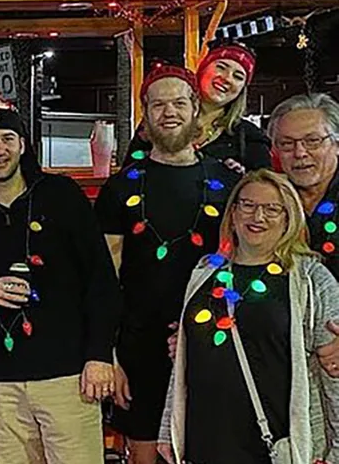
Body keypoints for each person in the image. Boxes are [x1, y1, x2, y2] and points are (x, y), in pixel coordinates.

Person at [0, 100, 120, 464]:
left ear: (22, 144)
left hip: (69, 378)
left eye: (7, 138)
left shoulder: (61, 195)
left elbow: (101, 280)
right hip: (0, 383)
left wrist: (99, 354)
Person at [95, 63, 241, 464]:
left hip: (213, 340)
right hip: (138, 346)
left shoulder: (229, 185)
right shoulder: (121, 187)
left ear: (196, 107)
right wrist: (108, 354)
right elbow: (104, 277)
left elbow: (242, 267)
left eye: (179, 102)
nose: (169, 112)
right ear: (145, 113)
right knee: (143, 454)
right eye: (158, 104)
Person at [158, 169, 339, 464]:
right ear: (233, 212)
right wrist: (170, 428)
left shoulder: (311, 279)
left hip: (276, 441)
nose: (258, 217)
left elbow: (334, 372)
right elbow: (184, 361)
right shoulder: (206, 271)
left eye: (272, 209)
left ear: (288, 217)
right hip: (207, 439)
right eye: (248, 205)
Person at [265, 93, 339, 382]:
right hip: (283, 358)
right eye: (287, 144)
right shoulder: (266, 202)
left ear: (335, 143)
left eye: (312, 141)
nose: (300, 153)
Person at [125, 41, 271, 173]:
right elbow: (129, 172)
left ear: (242, 90)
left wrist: (240, 178)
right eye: (221, 67)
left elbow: (266, 188)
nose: (227, 78)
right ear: (202, 69)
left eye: (238, 76)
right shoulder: (163, 120)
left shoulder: (249, 137)